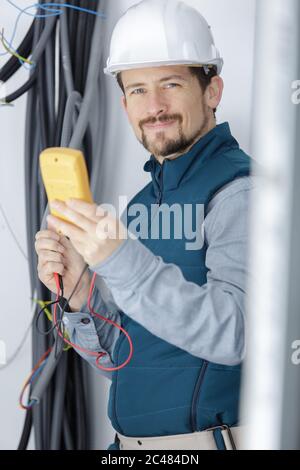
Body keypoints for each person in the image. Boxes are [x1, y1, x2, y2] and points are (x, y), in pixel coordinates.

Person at [35, 0, 255, 450]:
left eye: (170, 84)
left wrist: (120, 259)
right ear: (123, 103)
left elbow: (238, 334)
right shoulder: (140, 205)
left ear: (212, 90)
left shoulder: (242, 193)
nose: (154, 106)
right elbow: (125, 360)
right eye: (137, 90)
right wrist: (80, 292)